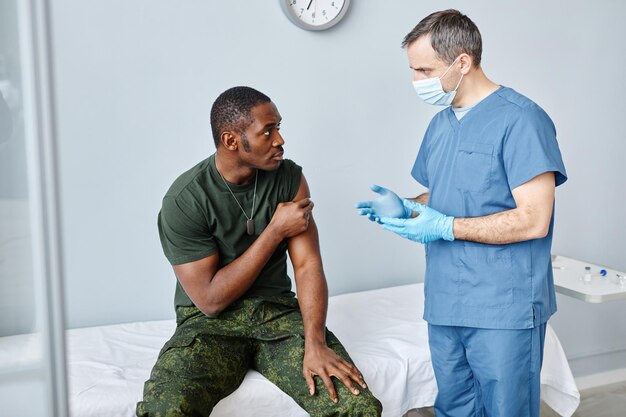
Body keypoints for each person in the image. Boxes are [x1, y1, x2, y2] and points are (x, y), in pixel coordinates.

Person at [356, 9, 567, 417]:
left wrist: (446, 226)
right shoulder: (439, 126)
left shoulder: (523, 120)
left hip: (502, 305)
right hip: (446, 300)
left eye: (424, 70)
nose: (417, 81)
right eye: (413, 70)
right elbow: (444, 191)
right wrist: (407, 206)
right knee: (454, 408)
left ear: (463, 62)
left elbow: (533, 218)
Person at [137, 86, 382, 417]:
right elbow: (210, 300)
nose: (279, 139)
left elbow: (308, 265)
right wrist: (275, 230)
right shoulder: (185, 200)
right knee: (165, 409)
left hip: (277, 314)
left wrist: (315, 342)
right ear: (231, 141)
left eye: (279, 127)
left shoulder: (289, 179)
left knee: (357, 407)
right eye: (268, 131)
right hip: (209, 325)